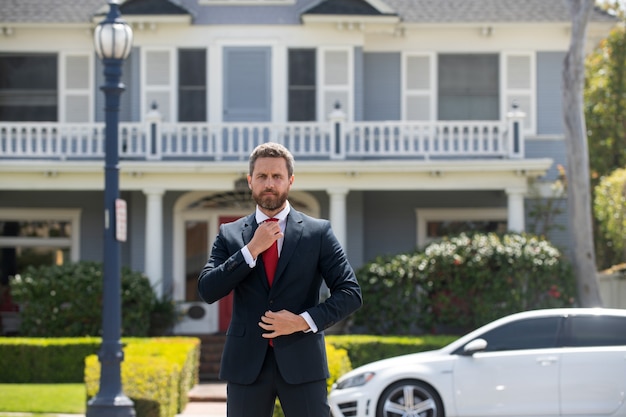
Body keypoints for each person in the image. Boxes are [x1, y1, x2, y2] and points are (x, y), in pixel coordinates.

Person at [197, 142, 362, 417]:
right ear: (250, 181)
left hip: (303, 362)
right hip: (247, 365)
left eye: (277, 176)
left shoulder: (318, 232)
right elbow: (207, 289)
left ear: (290, 181)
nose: (269, 183)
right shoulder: (230, 234)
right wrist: (250, 250)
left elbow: (350, 293)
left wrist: (301, 321)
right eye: (262, 176)